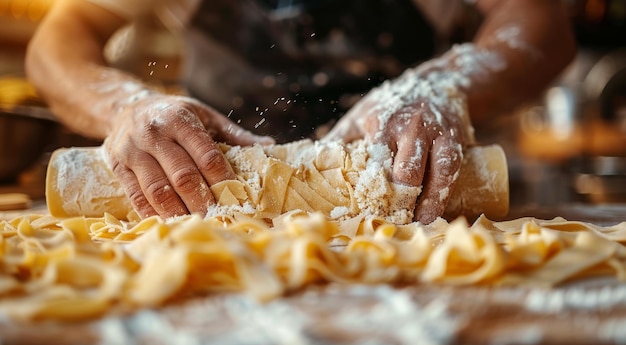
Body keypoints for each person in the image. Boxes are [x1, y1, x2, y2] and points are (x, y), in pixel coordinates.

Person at [26, 0, 576, 223]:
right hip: (201, 188)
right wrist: (128, 105)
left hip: (408, 182)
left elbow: (540, 24)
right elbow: (59, 40)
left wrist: (442, 85)